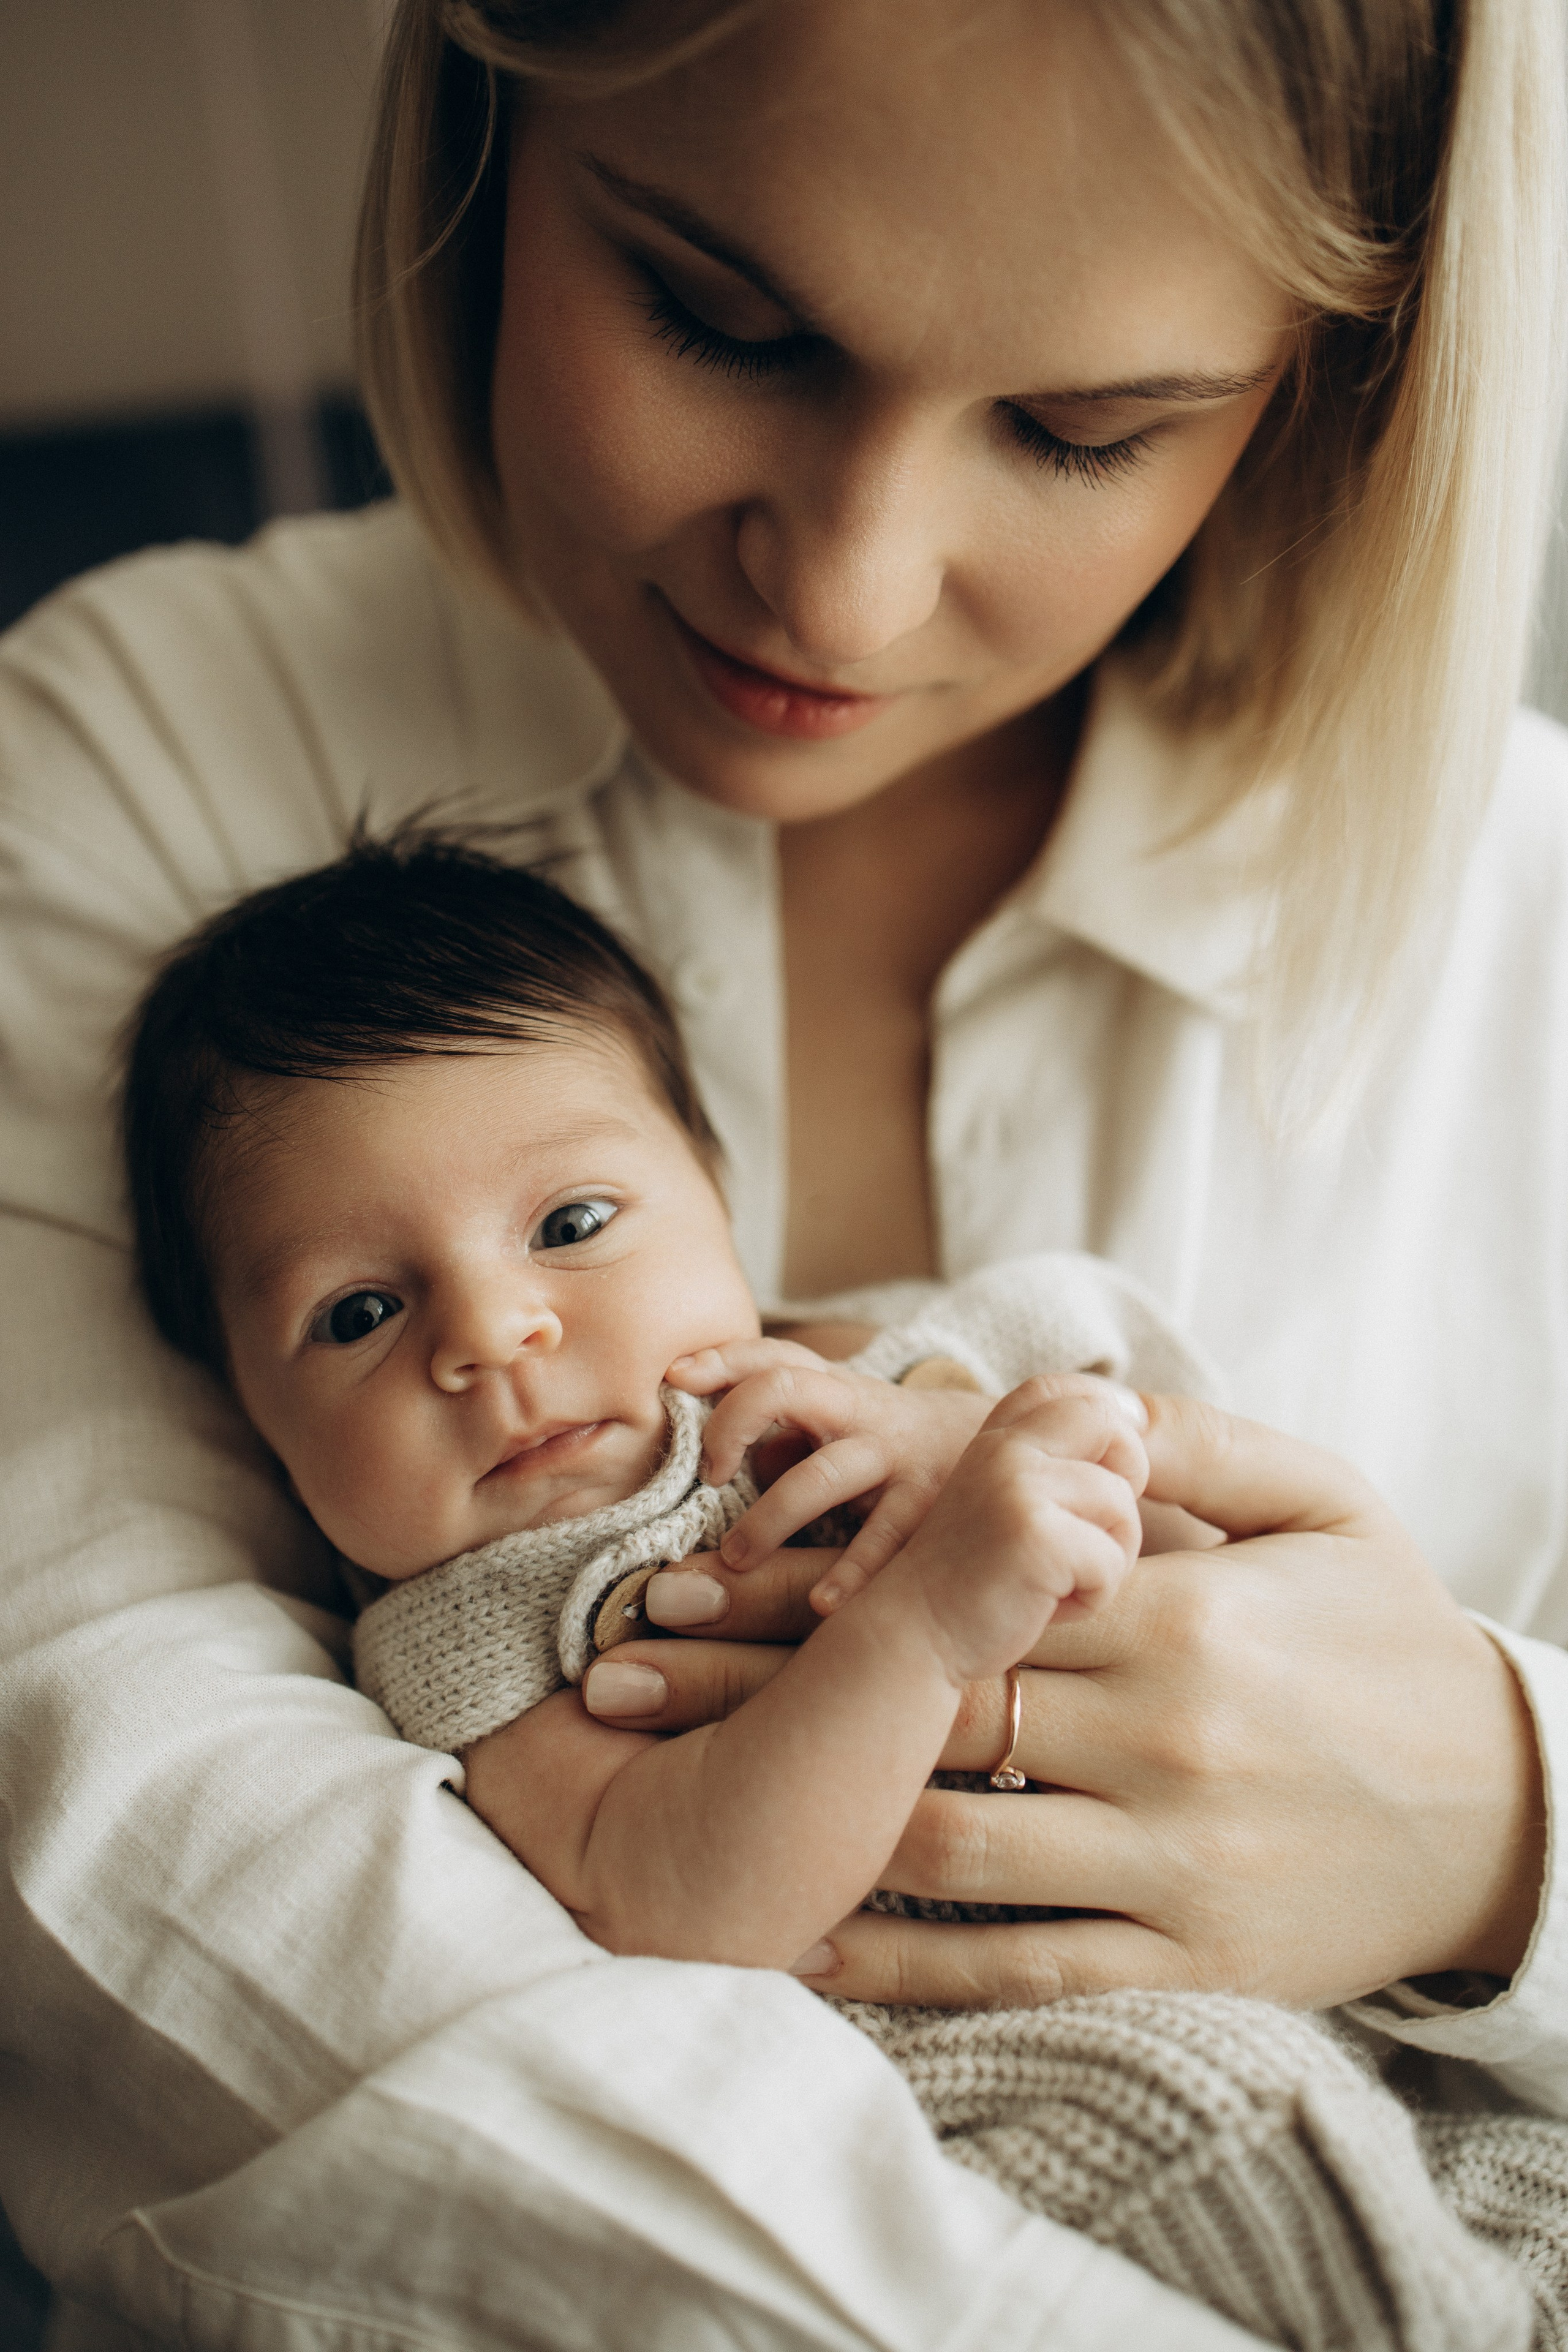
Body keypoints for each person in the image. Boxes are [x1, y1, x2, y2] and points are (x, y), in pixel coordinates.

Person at [1, 2, 1565, 2346]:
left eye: (1076, 429)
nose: (839, 592)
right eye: (720, 317)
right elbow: (150, 1862)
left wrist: (1507, 1818)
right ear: (487, 114)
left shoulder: (1516, 929)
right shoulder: (146, 754)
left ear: (1330, 375)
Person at [117, 833, 1567, 2352]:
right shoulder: (476, 1639)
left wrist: (978, 1442)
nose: (492, 1331)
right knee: (1281, 2173)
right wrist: (918, 1625)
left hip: (1343, 1983)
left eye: (569, 1224)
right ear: (250, 1421)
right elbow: (674, 1903)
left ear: (716, 1193)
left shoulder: (900, 1371)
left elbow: (1234, 1583)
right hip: (1028, 2081)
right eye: (359, 1311)